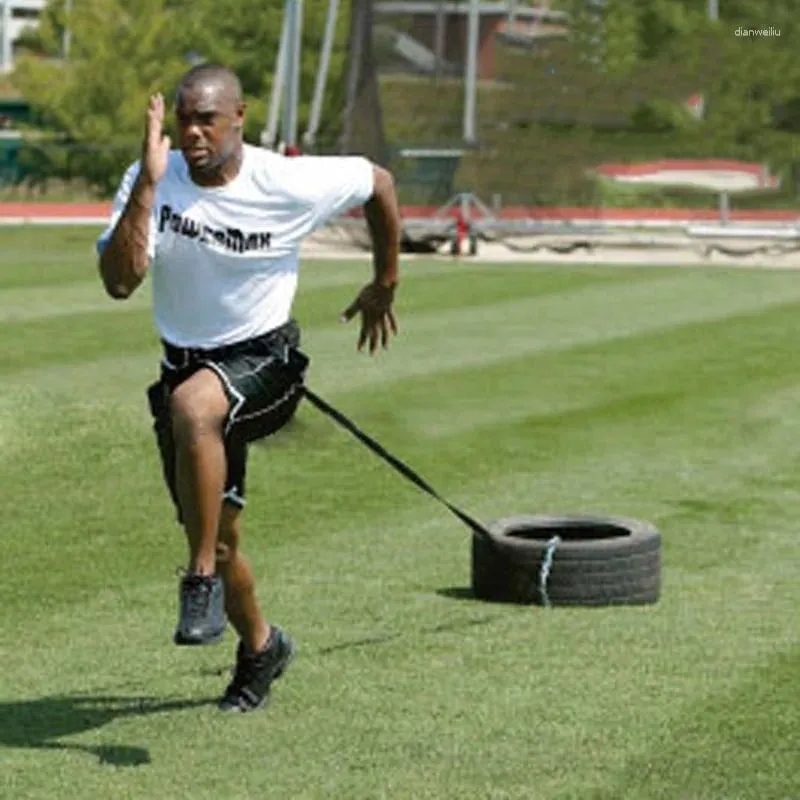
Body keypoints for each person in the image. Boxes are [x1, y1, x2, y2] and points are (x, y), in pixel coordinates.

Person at [96, 64, 401, 713]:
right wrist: (149, 185)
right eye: (183, 119)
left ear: (240, 117)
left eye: (207, 118)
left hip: (268, 362)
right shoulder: (153, 178)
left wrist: (387, 281)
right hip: (184, 368)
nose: (193, 132)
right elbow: (120, 282)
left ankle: (198, 580)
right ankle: (262, 646)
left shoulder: (285, 180)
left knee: (195, 406)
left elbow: (379, 182)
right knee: (218, 526)